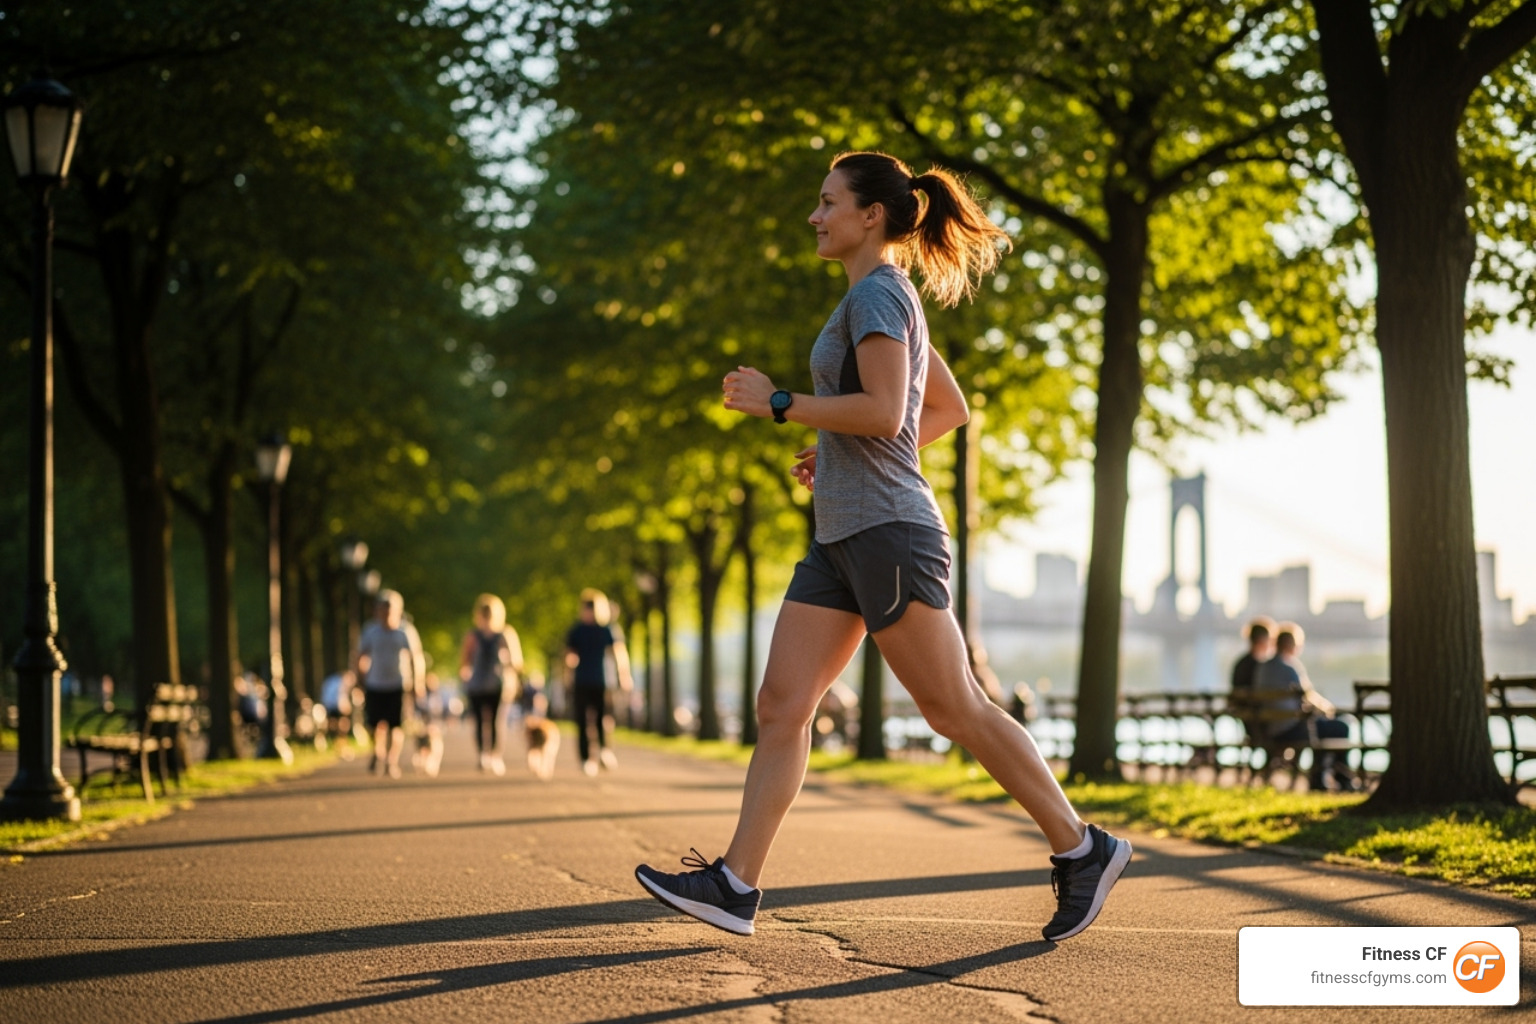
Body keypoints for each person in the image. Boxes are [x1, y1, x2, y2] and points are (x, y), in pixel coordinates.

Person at [634, 151, 1130, 942]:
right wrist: (835, 453)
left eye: (827, 202)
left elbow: (884, 412)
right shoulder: (879, 296)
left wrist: (782, 403)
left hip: (888, 534)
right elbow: (944, 408)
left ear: (870, 215)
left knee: (953, 706)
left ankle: (1082, 848)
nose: (814, 215)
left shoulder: (878, 294)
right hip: (841, 536)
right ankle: (735, 884)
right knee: (781, 705)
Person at [1251, 623, 1353, 790]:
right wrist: (1329, 710)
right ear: (1290, 645)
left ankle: (1324, 777)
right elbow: (1308, 696)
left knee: (1324, 727)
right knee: (1340, 727)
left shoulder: (1263, 667)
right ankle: (1336, 779)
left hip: (1271, 729)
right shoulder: (1289, 668)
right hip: (1292, 729)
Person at [356, 589, 426, 779]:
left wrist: (418, 682)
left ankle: (391, 761)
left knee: (396, 726)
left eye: (390, 609)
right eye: (382, 609)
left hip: (398, 684)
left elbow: (416, 658)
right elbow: (361, 656)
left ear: (398, 610)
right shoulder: (370, 631)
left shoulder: (405, 631)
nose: (386, 613)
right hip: (374, 684)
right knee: (374, 725)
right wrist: (359, 680)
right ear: (377, 611)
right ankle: (378, 752)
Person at [564, 589, 634, 776]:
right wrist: (568, 672)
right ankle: (586, 758)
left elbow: (619, 653)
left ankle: (604, 750)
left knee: (604, 718)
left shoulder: (607, 630)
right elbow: (569, 654)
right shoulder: (576, 631)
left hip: (603, 680)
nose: (589, 612)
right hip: (581, 680)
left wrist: (624, 675)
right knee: (582, 721)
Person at [459, 594, 525, 776]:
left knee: (497, 721)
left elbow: (517, 661)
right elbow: (465, 660)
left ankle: (495, 755)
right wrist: (465, 674)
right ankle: (483, 754)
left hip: (498, 683)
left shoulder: (505, 634)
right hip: (477, 684)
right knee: (479, 721)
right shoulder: (473, 635)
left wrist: (507, 660)